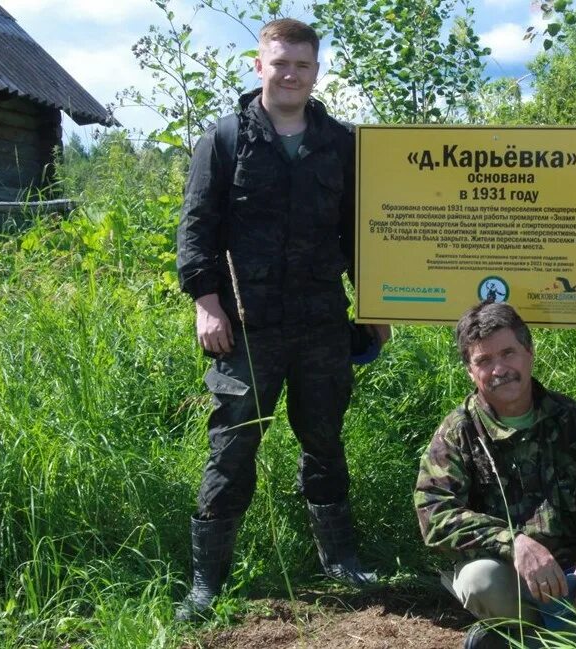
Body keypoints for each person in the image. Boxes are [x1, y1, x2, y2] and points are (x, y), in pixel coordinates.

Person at [175, 18, 389, 621]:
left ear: (316, 71)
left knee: (323, 439)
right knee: (231, 447)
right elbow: (196, 230)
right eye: (279, 62)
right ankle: (206, 583)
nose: (290, 73)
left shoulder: (342, 143)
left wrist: (374, 303)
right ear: (259, 66)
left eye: (302, 64)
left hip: (323, 320)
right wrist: (205, 303)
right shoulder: (222, 140)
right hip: (245, 325)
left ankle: (340, 561)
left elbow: (361, 232)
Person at [415, 302, 576, 648]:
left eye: (508, 353)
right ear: (470, 371)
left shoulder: (573, 419)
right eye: (484, 361)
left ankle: (535, 642)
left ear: (529, 353)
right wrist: (513, 542)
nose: (500, 369)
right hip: (514, 580)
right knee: (479, 580)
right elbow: (435, 514)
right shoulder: (458, 433)